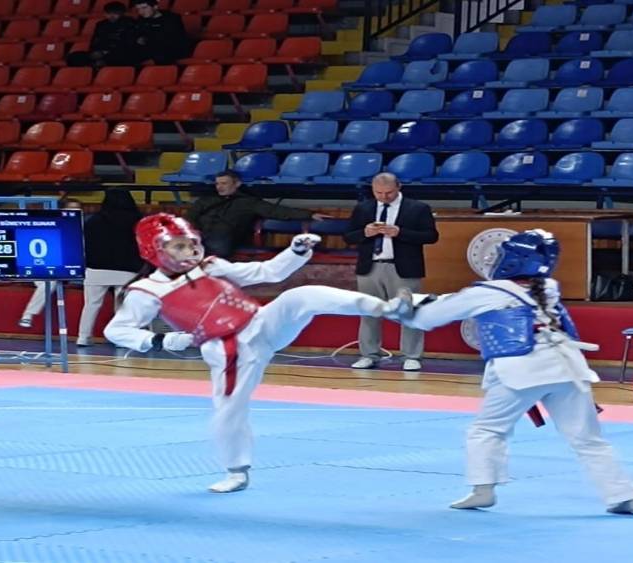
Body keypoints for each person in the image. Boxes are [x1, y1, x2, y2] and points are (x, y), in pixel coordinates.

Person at [104, 213, 406, 493]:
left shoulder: (212, 267)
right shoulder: (146, 291)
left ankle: (390, 308)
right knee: (229, 409)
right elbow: (117, 330)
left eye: (192, 243)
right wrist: (161, 340)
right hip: (228, 348)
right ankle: (236, 471)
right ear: (154, 250)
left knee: (302, 296)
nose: (190, 251)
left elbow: (268, 272)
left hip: (261, 323)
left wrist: (295, 251)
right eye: (179, 246)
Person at [390, 229, 633, 515]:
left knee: (487, 429)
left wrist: (403, 308)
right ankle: (624, 494)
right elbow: (470, 299)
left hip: (521, 370)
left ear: (510, 260)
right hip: (568, 368)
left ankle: (483, 490)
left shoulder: (487, 292)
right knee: (588, 438)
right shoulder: (548, 288)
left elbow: (426, 319)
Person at [18, 194, 146, 345]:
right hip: (127, 271)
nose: (74, 212)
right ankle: (120, 339)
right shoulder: (138, 221)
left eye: (77, 209)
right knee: (122, 306)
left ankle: (83, 337)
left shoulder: (92, 222)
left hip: (93, 271)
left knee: (91, 305)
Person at [344, 172, 438, 371]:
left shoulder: (418, 208)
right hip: (370, 267)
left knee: (409, 312)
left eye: (388, 193)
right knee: (369, 312)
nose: (384, 197)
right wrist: (365, 233)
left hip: (403, 268)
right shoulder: (364, 208)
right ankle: (369, 354)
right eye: (378, 193)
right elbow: (349, 236)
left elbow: (431, 236)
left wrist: (400, 233)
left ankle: (412, 356)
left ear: (399, 187)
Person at [186, 170, 332, 258]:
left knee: (214, 247)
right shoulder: (206, 200)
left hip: (224, 239)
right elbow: (190, 217)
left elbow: (276, 211)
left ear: (237, 184)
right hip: (200, 236)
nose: (219, 187)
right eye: (218, 183)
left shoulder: (249, 202)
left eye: (224, 183)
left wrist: (309, 214)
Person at [65, 2, 137, 68]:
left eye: (115, 13)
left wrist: (105, 53)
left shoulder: (130, 23)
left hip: (120, 53)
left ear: (122, 13)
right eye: (109, 13)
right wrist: (95, 52)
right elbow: (95, 40)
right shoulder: (101, 25)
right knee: (74, 57)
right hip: (101, 51)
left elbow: (128, 43)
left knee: (118, 57)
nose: (112, 16)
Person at [131, 0, 192, 65]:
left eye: (144, 8)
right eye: (138, 9)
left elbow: (172, 40)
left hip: (171, 50)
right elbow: (139, 35)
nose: (141, 12)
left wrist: (146, 38)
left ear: (155, 7)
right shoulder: (142, 19)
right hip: (152, 49)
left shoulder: (171, 18)